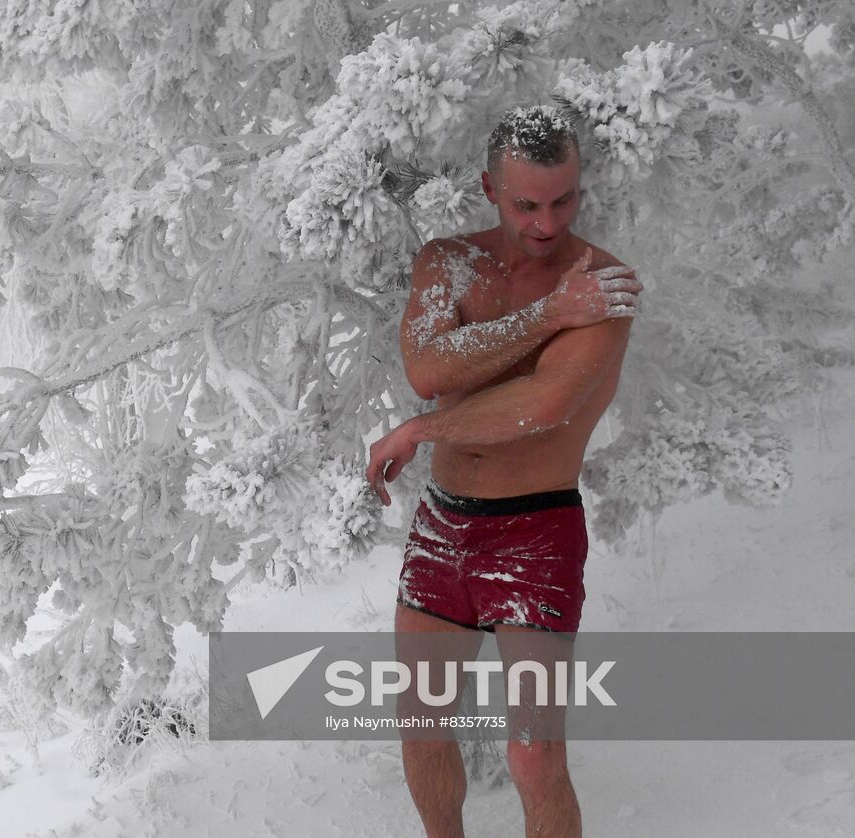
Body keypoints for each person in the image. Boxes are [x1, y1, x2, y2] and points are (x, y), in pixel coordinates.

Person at [364, 105, 643, 838]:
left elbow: (545, 403)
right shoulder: (448, 261)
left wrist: (425, 428)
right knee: (421, 724)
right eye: (526, 203)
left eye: (564, 199)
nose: (547, 222)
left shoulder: (606, 284)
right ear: (491, 188)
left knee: (532, 753)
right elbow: (427, 367)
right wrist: (550, 313)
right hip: (444, 525)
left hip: (538, 528)